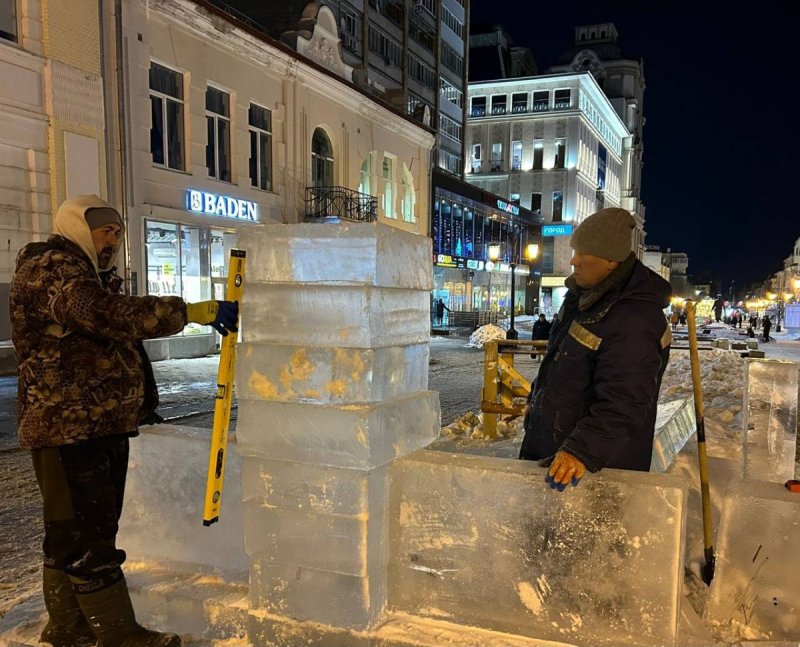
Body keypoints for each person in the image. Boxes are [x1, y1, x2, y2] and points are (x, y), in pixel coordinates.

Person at [10, 195, 240, 647]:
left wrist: (140, 401)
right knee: (88, 532)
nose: (111, 239)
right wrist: (191, 312)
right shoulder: (51, 270)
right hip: (67, 428)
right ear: (77, 227)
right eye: (103, 230)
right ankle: (119, 636)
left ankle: (68, 629)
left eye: (117, 231)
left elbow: (116, 344)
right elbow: (105, 315)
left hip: (97, 424)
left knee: (72, 531)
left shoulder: (92, 276)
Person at [520, 208, 672, 491]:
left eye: (583, 255)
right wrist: (536, 399)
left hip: (590, 474)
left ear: (612, 262)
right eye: (575, 251)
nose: (573, 260)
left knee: (577, 535)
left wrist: (580, 451)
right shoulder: (582, 297)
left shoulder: (634, 319)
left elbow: (624, 402)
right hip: (556, 455)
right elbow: (559, 361)